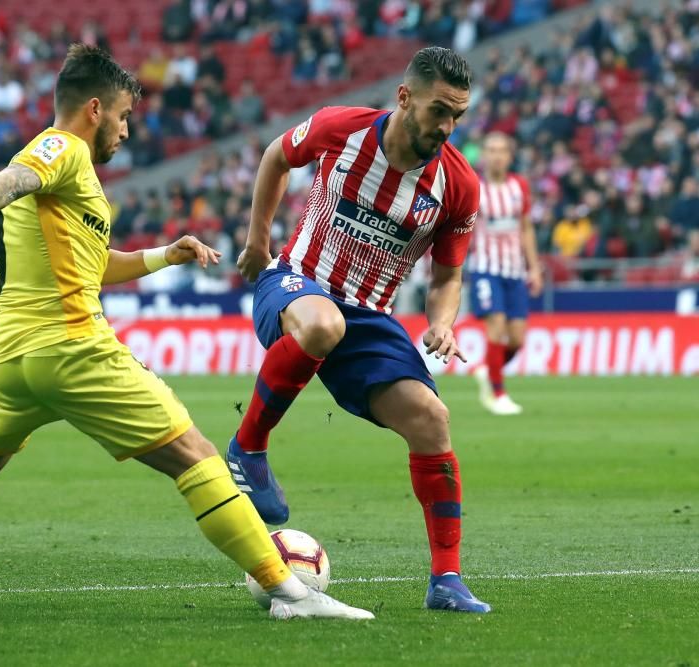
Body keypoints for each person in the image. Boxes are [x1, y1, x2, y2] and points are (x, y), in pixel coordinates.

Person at [0, 44, 370, 622]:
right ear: (94, 109)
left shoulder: (76, 184)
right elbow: (14, 176)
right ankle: (289, 593)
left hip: (11, 363)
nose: (125, 130)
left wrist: (164, 255)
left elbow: (92, 264)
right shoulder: (63, 148)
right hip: (73, 348)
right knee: (197, 457)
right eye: (123, 116)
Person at [226, 46, 491, 613]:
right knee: (324, 323)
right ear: (404, 97)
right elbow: (276, 155)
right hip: (297, 284)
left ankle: (446, 581)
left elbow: (448, 275)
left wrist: (443, 322)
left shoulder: (458, 186)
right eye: (439, 110)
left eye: (457, 116)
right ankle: (247, 449)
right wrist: (257, 240)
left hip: (370, 316)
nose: (446, 127)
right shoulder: (339, 129)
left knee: (432, 419)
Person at [469, 132, 542, 415]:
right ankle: (498, 393)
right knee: (496, 325)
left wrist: (534, 267)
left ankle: (488, 369)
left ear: (509, 156)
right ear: (483, 155)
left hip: (515, 271)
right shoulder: (474, 187)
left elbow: (526, 227)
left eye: (502, 150)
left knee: (517, 339)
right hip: (486, 269)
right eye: (491, 150)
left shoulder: (519, 186)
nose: (496, 155)